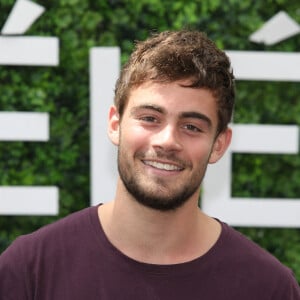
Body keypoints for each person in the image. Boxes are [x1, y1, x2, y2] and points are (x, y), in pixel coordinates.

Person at [0, 30, 299, 300]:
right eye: (149, 118)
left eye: (192, 126)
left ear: (218, 144)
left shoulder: (268, 288)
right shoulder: (30, 271)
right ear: (115, 124)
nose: (167, 141)